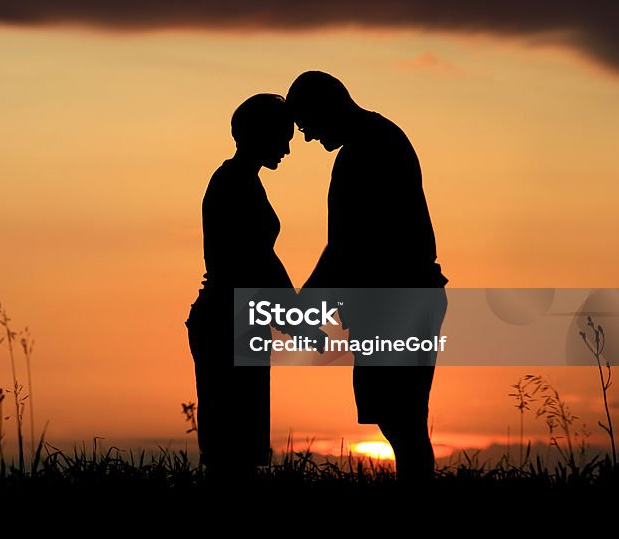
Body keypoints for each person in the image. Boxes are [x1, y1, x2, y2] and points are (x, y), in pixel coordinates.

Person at [286, 71, 448, 482]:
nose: (306, 138)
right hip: (400, 297)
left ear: (328, 107)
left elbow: (345, 245)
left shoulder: (366, 149)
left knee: (401, 418)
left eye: (307, 125)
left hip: (398, 300)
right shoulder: (377, 138)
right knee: (401, 418)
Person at [185, 93, 295, 479]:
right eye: (283, 137)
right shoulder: (234, 183)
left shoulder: (242, 180)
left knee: (239, 445)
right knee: (231, 448)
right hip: (227, 318)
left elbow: (262, 258)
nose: (287, 148)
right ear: (259, 134)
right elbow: (255, 258)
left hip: (237, 317)